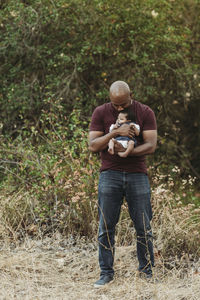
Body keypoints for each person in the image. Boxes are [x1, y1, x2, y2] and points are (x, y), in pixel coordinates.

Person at [89, 80, 157, 288]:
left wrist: (127, 152)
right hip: (110, 174)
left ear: (131, 96)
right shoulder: (100, 112)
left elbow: (151, 145)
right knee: (106, 226)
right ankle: (106, 273)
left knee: (143, 227)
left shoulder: (145, 112)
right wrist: (115, 133)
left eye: (123, 105)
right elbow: (93, 146)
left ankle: (146, 272)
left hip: (137, 174)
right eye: (115, 105)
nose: (119, 108)